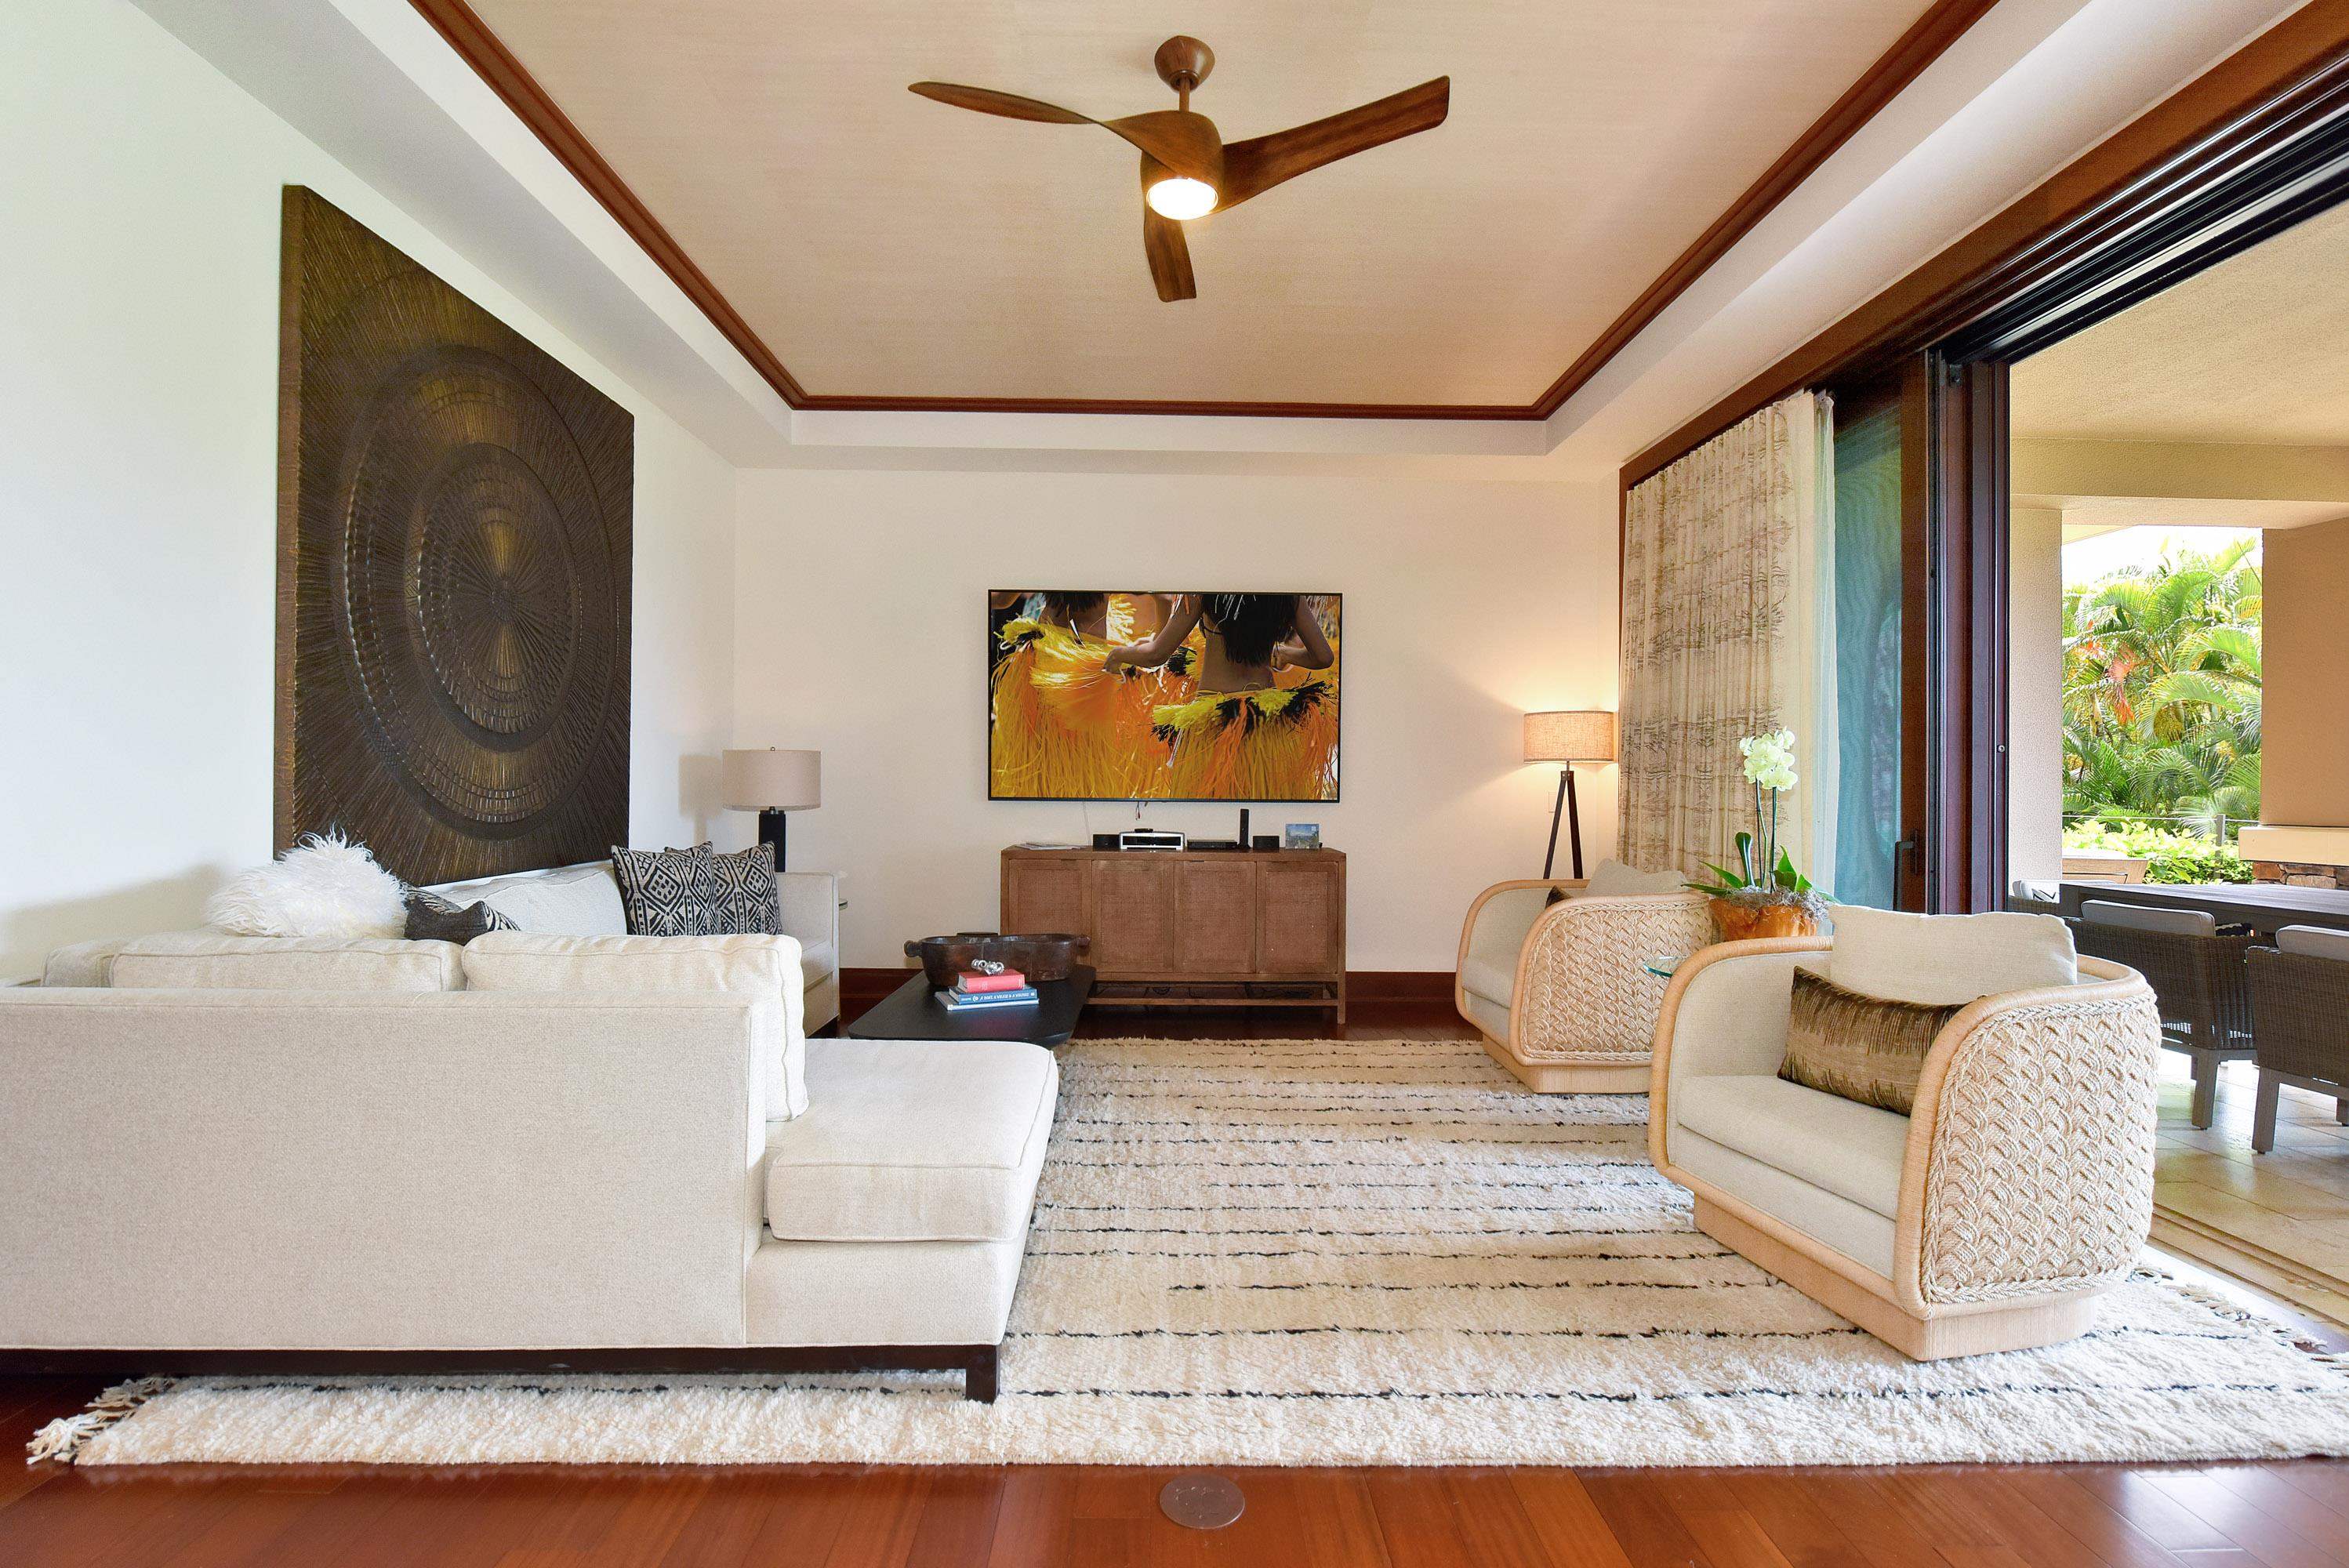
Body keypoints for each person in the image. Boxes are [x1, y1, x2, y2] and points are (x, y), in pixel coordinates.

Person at [1105, 593, 1339, 800]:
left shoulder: (1204, 591)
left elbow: (1156, 655)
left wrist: (1118, 654)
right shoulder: (1287, 595)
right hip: (1267, 726)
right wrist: (1284, 653)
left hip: (1213, 727)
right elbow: (1322, 657)